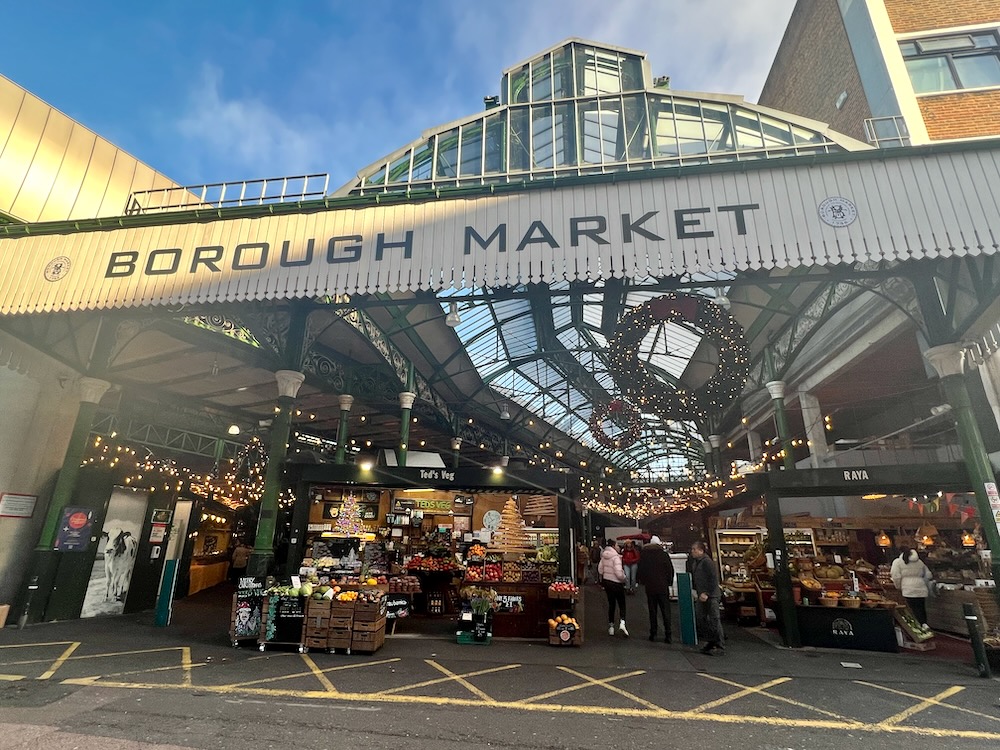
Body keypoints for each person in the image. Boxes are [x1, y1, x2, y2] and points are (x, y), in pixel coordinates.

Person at [637, 535, 674, 643]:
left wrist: (643, 581)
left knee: (652, 611)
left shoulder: (644, 555)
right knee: (665, 611)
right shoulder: (664, 555)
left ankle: (653, 633)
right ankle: (668, 635)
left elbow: (641, 570)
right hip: (662, 586)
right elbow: (670, 570)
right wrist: (669, 582)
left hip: (650, 587)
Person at [690, 540, 724, 654]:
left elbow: (713, 579)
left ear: (701, 550)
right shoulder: (696, 562)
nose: (692, 552)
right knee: (701, 618)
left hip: (711, 595)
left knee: (714, 619)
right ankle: (710, 642)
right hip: (701, 595)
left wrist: (707, 593)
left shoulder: (707, 562)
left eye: (694, 549)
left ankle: (719, 645)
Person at [890, 546, 933, 627]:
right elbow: (928, 574)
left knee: (913, 609)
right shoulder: (919, 562)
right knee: (921, 608)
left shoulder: (898, 562)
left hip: (908, 589)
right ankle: (924, 624)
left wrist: (898, 586)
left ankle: (918, 627)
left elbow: (896, 576)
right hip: (921, 588)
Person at [597, 539, 629, 636]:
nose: (619, 547)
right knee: (621, 604)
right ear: (614, 546)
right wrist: (624, 578)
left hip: (607, 583)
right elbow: (619, 573)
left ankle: (611, 627)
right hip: (617, 583)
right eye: (617, 546)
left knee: (611, 604)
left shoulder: (604, 556)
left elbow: (600, 570)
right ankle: (622, 623)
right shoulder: (616, 558)